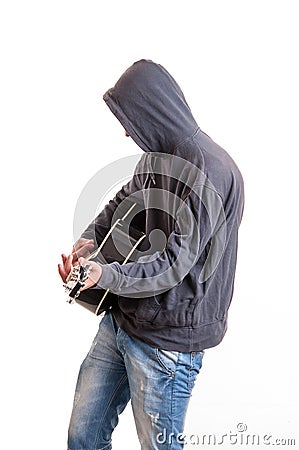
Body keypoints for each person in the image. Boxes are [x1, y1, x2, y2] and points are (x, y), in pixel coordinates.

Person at [58, 59, 244, 450]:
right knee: (83, 437)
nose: (126, 131)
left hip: (168, 346)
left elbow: (172, 266)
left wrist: (104, 276)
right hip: (123, 321)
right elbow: (122, 204)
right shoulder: (157, 157)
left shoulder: (210, 171)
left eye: (130, 119)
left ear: (153, 110)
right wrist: (89, 245)